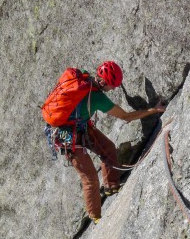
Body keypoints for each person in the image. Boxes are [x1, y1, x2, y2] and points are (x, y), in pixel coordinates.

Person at [67, 61, 166, 223]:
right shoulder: (98, 98)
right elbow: (126, 117)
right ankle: (96, 217)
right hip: (68, 138)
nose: (112, 89)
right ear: (104, 82)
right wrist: (154, 110)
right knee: (90, 179)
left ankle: (111, 186)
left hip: (80, 127)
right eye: (111, 86)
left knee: (108, 147)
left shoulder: (84, 82)